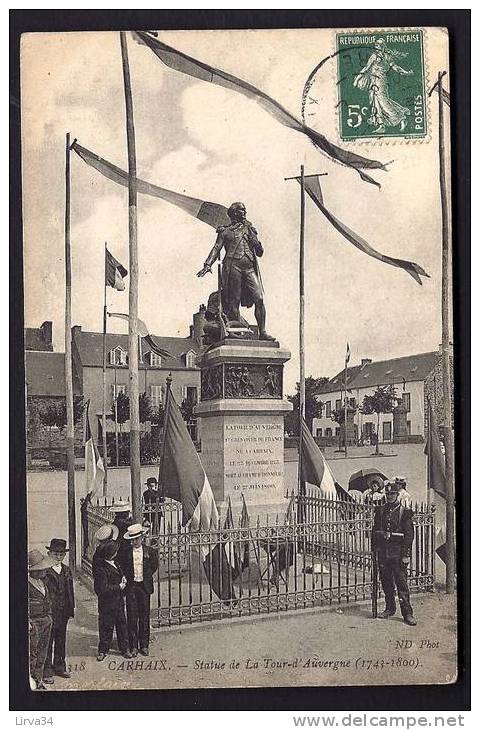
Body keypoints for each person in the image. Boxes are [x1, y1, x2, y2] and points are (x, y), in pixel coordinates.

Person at [197, 202, 275, 341]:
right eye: (241, 210)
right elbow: (216, 248)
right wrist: (208, 264)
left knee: (259, 298)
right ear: (233, 213)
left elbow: (260, 252)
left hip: (249, 267)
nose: (244, 212)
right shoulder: (225, 231)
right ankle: (236, 334)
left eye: (245, 210)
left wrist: (255, 240)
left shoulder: (250, 229)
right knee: (234, 302)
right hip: (232, 266)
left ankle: (262, 332)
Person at [372, 480, 416, 625]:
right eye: (387, 493)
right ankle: (390, 608)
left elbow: (409, 535)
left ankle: (407, 613)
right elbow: (374, 531)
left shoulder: (405, 512)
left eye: (392, 493)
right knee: (386, 582)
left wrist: (406, 555)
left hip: (397, 554)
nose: (390, 496)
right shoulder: (380, 510)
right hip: (383, 553)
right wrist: (375, 548)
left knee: (401, 584)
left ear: (397, 494)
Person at [120, 524, 159, 657]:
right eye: (132, 540)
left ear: (142, 537)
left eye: (137, 539)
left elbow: (154, 566)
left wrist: (146, 577)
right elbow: (123, 567)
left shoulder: (150, 551)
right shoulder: (126, 553)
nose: (135, 542)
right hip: (132, 587)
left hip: (144, 587)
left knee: (144, 617)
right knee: (132, 616)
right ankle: (133, 646)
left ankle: (144, 645)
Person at [92, 539, 131, 661]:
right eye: (115, 551)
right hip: (107, 603)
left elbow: (120, 574)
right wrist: (119, 586)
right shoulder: (101, 569)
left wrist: (123, 578)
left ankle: (124, 649)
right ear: (110, 553)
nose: (117, 553)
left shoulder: (116, 563)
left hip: (118, 601)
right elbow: (101, 589)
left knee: (122, 626)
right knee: (105, 627)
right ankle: (102, 650)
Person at [43, 539, 75, 681]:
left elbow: (70, 591)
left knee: (61, 640)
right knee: (48, 641)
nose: (58, 557)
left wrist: (71, 609)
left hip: (63, 612)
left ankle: (59, 666)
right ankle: (47, 669)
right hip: (50, 612)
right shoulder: (44, 572)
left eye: (61, 554)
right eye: (55, 554)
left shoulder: (66, 570)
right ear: (49, 553)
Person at [28, 549, 55, 689]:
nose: (45, 570)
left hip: (46, 621)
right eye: (42, 568)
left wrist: (49, 617)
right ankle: (31, 682)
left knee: (43, 652)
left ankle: (38, 681)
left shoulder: (42, 581)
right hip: (34, 623)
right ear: (34, 570)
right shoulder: (26, 584)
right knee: (33, 653)